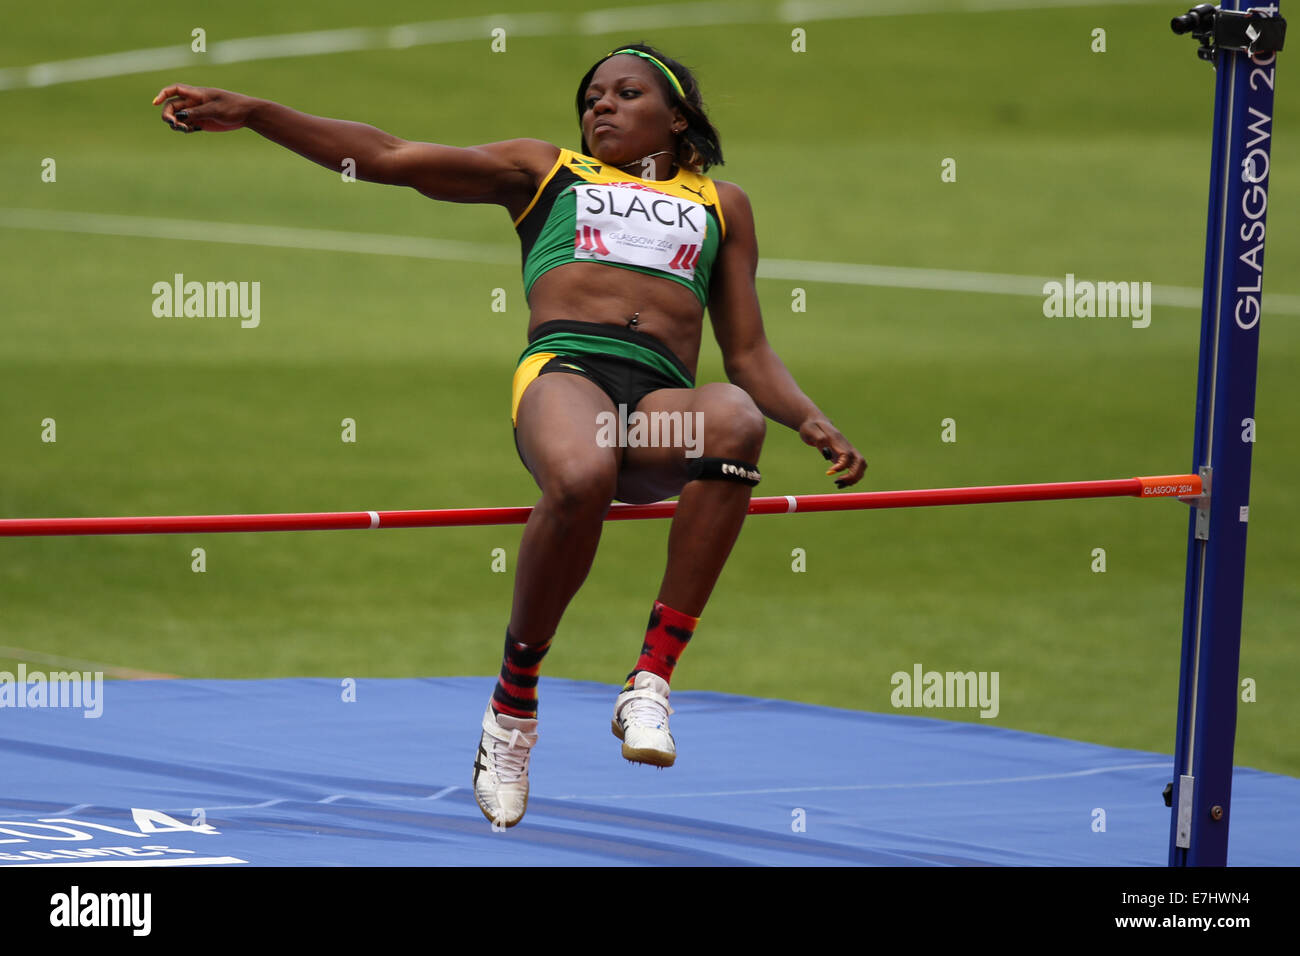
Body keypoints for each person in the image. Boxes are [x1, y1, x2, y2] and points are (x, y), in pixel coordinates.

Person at [153, 42, 866, 829]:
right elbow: (388, 156)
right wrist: (257, 113)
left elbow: (750, 352)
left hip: (662, 399)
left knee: (732, 413)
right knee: (582, 475)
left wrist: (806, 417)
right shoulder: (547, 171)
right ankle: (513, 707)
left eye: (626, 94)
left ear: (678, 115)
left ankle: (651, 682)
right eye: (591, 95)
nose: (600, 105)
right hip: (567, 373)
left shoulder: (723, 205)